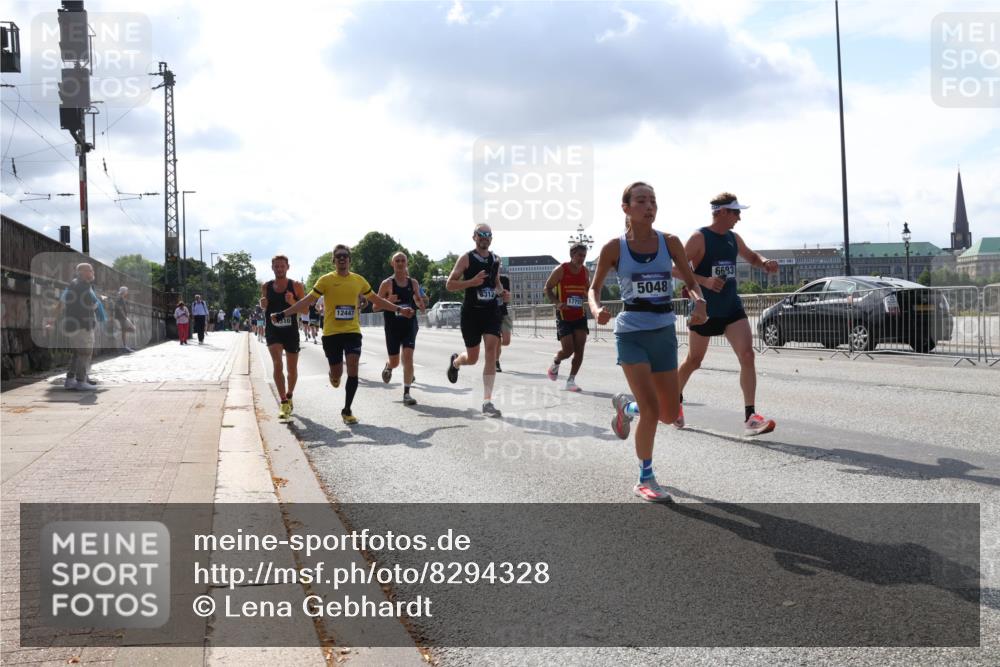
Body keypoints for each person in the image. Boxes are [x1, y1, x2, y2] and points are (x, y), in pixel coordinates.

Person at [589, 182, 707, 503]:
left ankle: (625, 408)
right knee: (652, 409)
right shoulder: (614, 248)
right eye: (641, 200)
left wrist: (699, 301)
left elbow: (691, 281)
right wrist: (597, 309)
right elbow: (594, 288)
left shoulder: (670, 243)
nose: (649, 206)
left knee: (669, 414)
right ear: (625, 207)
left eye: (653, 200)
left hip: (663, 331)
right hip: (631, 333)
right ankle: (646, 477)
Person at [672, 192, 778, 436]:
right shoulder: (699, 238)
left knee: (748, 355)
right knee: (694, 361)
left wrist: (765, 262)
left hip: (732, 308)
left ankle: (750, 416)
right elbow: (675, 269)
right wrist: (705, 281)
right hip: (705, 311)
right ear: (720, 212)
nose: (739, 217)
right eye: (735, 212)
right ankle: (673, 402)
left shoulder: (733, 237)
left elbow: (751, 256)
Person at [274, 244, 412, 425]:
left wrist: (399, 310)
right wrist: (284, 313)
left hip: (352, 331)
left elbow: (377, 300)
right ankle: (333, 374)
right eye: (338, 256)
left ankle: (347, 410)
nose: (342, 258)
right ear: (333, 260)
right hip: (331, 334)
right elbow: (308, 300)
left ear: (349, 260)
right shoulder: (325, 280)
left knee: (353, 366)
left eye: (345, 256)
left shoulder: (359, 280)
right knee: (338, 373)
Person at [445, 223, 506, 417]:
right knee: (472, 358)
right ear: (474, 237)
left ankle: (487, 402)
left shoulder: (496, 259)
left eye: (488, 235)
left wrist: (502, 293)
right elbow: (449, 284)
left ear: (491, 238)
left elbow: (496, 285)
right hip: (471, 314)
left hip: (490, 313)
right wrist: (471, 282)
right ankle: (456, 362)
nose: (484, 238)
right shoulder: (466, 258)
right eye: (481, 234)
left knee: (491, 351)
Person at [374, 251, 427, 406]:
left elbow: (418, 300)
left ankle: (407, 393)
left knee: (408, 356)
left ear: (407, 263)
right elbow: (375, 306)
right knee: (396, 361)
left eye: (403, 260)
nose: (400, 263)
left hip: (409, 324)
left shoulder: (413, 283)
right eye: (397, 260)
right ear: (392, 263)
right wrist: (387, 300)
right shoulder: (387, 284)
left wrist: (420, 304)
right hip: (392, 326)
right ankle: (389, 366)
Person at [261, 255, 305, 421]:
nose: (279, 269)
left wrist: (293, 300)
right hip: (273, 330)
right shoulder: (266, 286)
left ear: (288, 267)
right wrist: (263, 305)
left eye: (282, 266)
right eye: (276, 266)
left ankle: (290, 394)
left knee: (291, 370)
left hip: (291, 331)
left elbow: (306, 310)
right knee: (277, 363)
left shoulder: (296, 286)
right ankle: (283, 401)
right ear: (272, 268)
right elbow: (265, 306)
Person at [544, 243, 590, 392]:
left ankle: (571, 380)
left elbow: (588, 290)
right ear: (572, 255)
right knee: (568, 350)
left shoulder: (585, 271)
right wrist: (557, 303)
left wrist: (592, 300)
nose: (582, 259)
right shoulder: (560, 270)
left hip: (579, 315)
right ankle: (556, 361)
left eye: (584, 256)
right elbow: (547, 288)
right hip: (564, 315)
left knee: (580, 348)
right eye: (579, 255)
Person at [57, 263, 100, 391]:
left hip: (74, 325)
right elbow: (84, 308)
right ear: (85, 272)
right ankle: (81, 381)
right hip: (82, 326)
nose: (93, 273)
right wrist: (94, 307)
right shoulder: (83, 286)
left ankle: (71, 380)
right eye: (91, 270)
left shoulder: (74, 284)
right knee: (84, 353)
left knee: (77, 354)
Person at [495, 272, 512, 372]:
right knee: (496, 340)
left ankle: (493, 344)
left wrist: (504, 294)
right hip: (491, 314)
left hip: (503, 312)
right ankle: (496, 362)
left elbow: (506, 298)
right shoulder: (486, 279)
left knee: (506, 341)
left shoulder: (504, 279)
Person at [113, 286, 136, 352]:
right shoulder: (119, 298)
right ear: (124, 292)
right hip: (121, 318)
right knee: (129, 329)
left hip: (123, 317)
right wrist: (125, 317)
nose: (127, 292)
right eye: (126, 291)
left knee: (125, 331)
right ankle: (124, 346)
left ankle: (125, 346)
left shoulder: (122, 298)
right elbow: (119, 308)